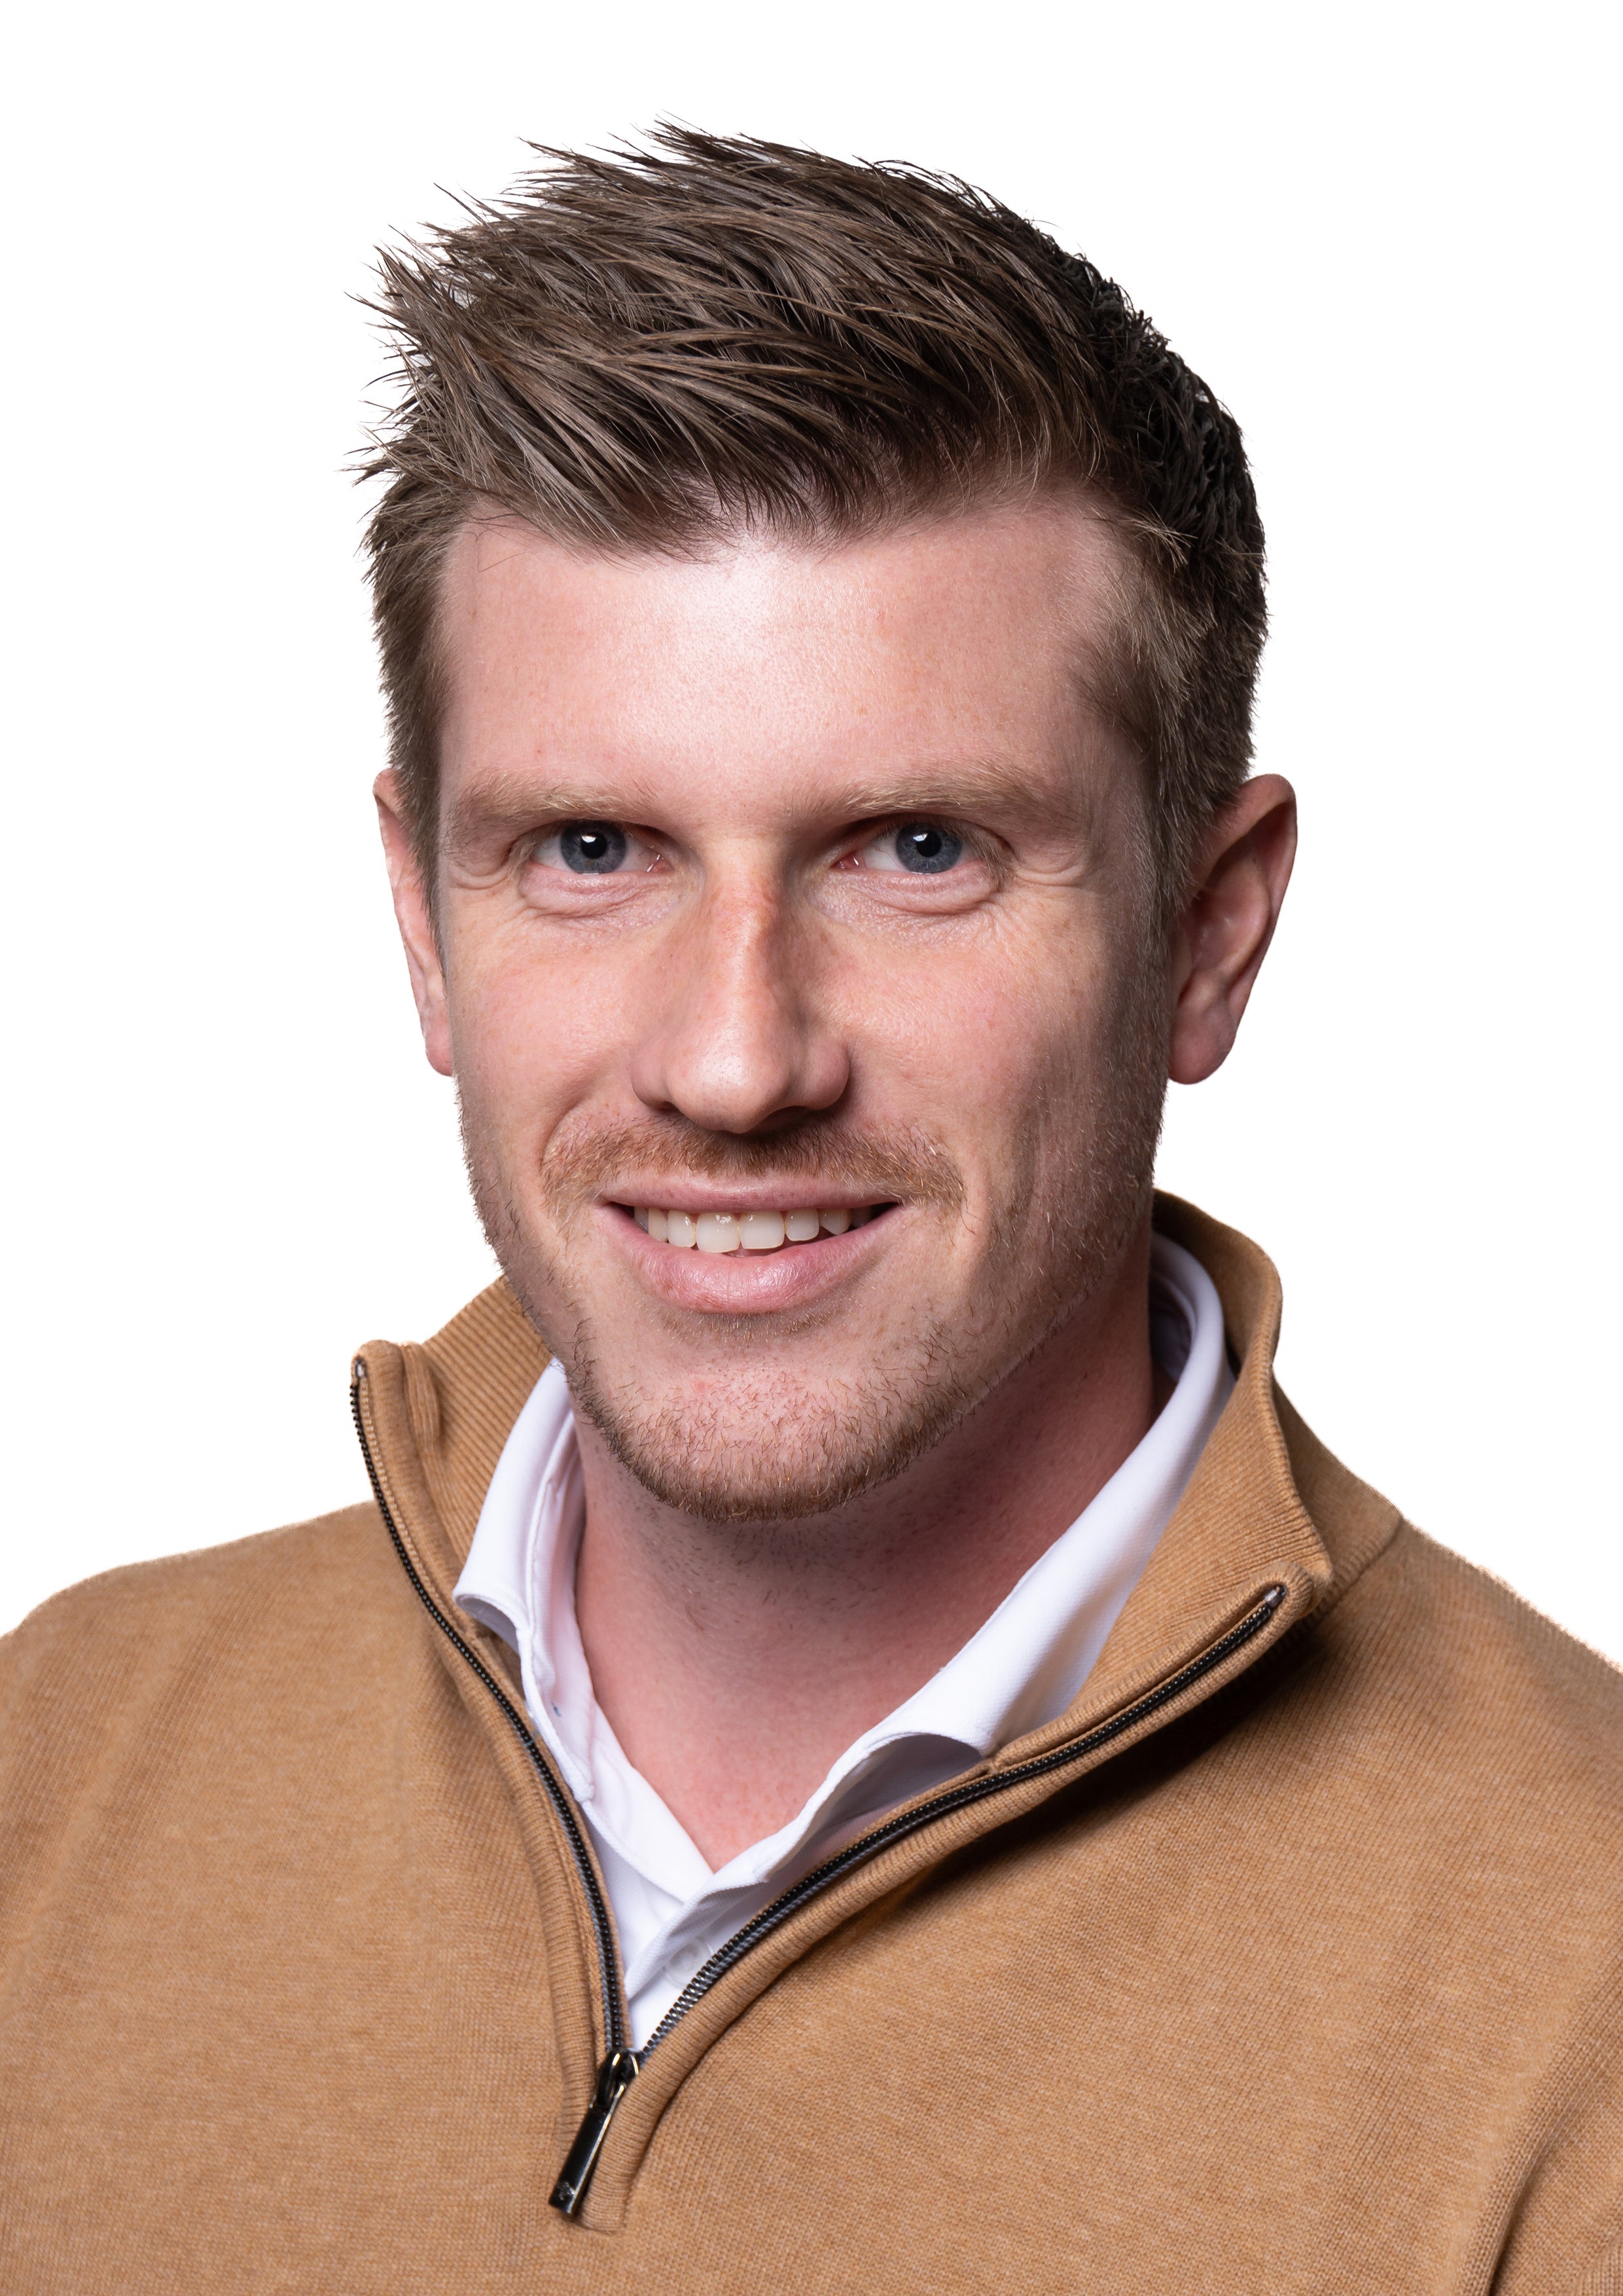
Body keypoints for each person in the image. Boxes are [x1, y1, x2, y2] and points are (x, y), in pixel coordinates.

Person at [2, 128, 1619, 2293]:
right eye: (592, 849)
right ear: (422, 921)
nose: (737, 1060)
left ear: (1209, 933)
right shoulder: (61, 1760)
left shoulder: (1581, 1991)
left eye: (919, 849)